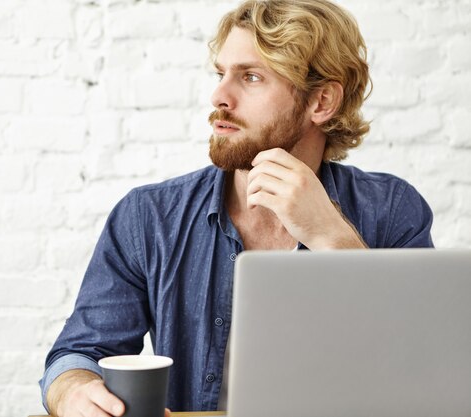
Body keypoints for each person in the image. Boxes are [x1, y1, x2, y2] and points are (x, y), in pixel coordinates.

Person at [40, 0, 434, 415]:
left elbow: (425, 373)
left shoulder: (392, 210)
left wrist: (332, 238)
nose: (219, 96)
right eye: (220, 73)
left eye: (250, 76)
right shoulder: (148, 217)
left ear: (321, 102)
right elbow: (80, 352)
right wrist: (73, 392)